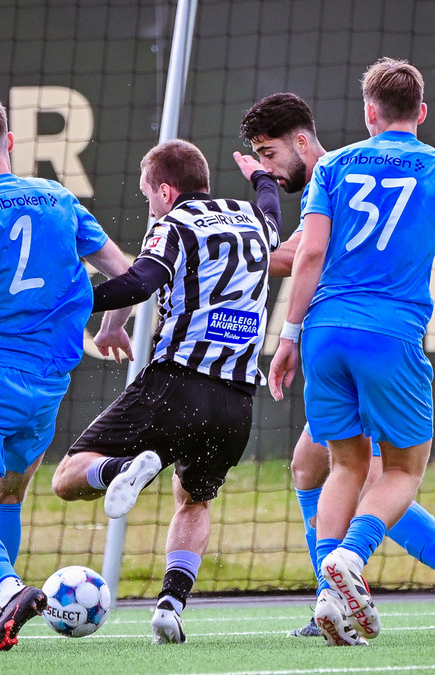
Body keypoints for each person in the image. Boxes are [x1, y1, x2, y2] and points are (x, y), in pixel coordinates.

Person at [266, 61, 435, 646]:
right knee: (403, 469)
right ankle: (351, 558)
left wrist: (288, 336)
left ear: (369, 112)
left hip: (323, 333)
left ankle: (331, 594)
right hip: (388, 336)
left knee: (341, 465)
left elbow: (308, 255)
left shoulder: (333, 166)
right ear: (422, 112)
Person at [51, 139, 281, 644]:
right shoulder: (252, 219)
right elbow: (272, 207)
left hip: (177, 385)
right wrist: (260, 176)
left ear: (166, 190)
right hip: (237, 401)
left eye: (147, 195)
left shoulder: (174, 224)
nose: (148, 205)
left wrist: (68, 302)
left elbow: (139, 282)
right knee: (194, 501)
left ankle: (118, 470)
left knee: (67, 477)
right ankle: (170, 607)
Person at [0, 93, 133, 652]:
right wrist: (112, 327)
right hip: (45, 386)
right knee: (8, 497)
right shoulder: (59, 198)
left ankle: (9, 589)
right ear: (10, 142)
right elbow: (125, 273)